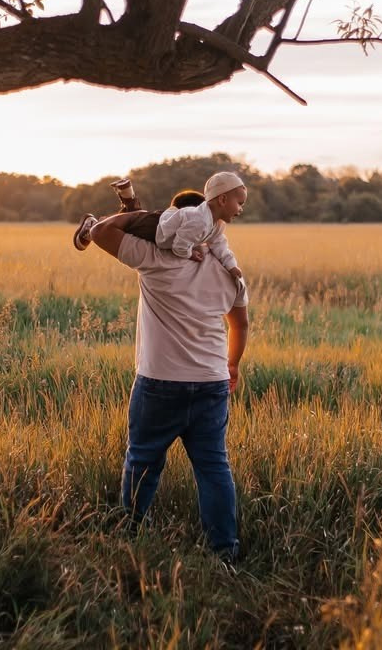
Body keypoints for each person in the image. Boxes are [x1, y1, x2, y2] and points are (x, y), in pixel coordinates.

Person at [88, 206, 250, 562]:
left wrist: (143, 215)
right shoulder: (229, 271)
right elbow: (240, 325)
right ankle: (225, 550)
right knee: (213, 466)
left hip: (159, 381)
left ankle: (128, 538)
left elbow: (99, 232)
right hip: (211, 381)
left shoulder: (154, 258)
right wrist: (232, 364)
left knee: (143, 460)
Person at [155, 171, 246, 280]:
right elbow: (179, 246)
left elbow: (219, 244)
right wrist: (190, 254)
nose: (241, 209)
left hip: (181, 220)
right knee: (145, 221)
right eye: (239, 203)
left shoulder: (218, 223)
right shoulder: (200, 221)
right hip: (163, 230)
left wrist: (231, 266)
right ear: (222, 200)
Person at [72, 178, 205, 251]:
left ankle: (128, 196)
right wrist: (189, 252)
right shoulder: (192, 226)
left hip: (161, 217)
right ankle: (93, 226)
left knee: (137, 220)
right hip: (162, 226)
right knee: (131, 229)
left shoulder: (176, 218)